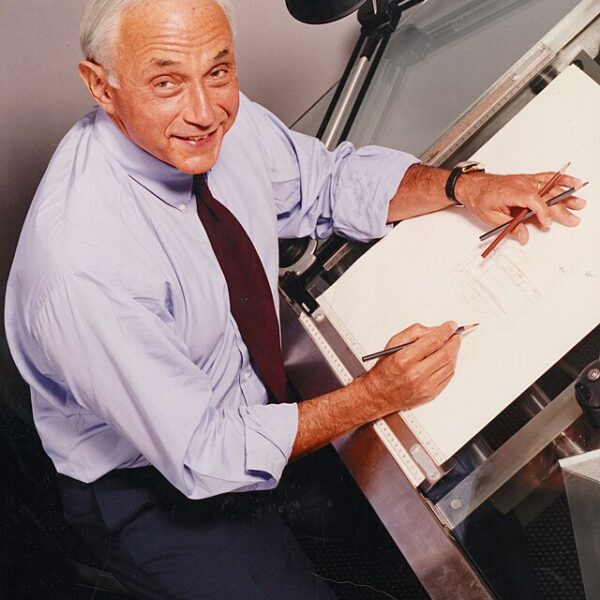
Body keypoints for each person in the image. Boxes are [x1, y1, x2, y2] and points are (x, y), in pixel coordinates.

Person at [4, 0, 585, 598]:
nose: (204, 111)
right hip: (152, 483)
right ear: (102, 86)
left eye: (218, 71)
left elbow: (328, 182)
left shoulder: (211, 121)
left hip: (252, 402)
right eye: (166, 82)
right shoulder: (84, 267)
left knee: (425, 542)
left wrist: (463, 186)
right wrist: (374, 395)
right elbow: (207, 452)